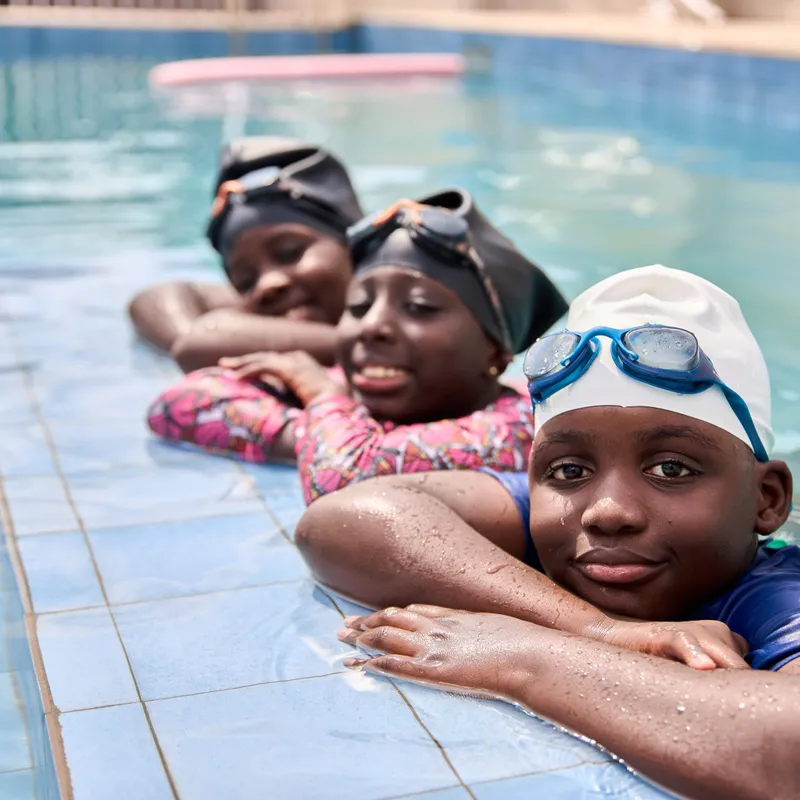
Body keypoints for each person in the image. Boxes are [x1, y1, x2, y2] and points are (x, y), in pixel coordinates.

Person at [297, 265, 799, 800]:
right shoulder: (546, 519)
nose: (606, 511)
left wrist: (527, 659)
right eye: (567, 470)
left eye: (671, 469)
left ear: (766, 501)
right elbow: (343, 518)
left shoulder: (775, 595)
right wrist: (599, 631)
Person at [147, 190, 568, 503]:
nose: (372, 327)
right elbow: (180, 403)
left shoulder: (517, 429)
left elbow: (341, 480)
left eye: (419, 307)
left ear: (496, 351)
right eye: (359, 305)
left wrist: (324, 402)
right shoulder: (359, 398)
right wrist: (335, 422)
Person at [128, 138, 363, 371]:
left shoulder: (396, 280)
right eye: (246, 281)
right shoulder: (265, 305)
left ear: (356, 245)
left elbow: (201, 342)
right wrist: (352, 343)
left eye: (290, 253)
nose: (267, 285)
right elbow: (160, 304)